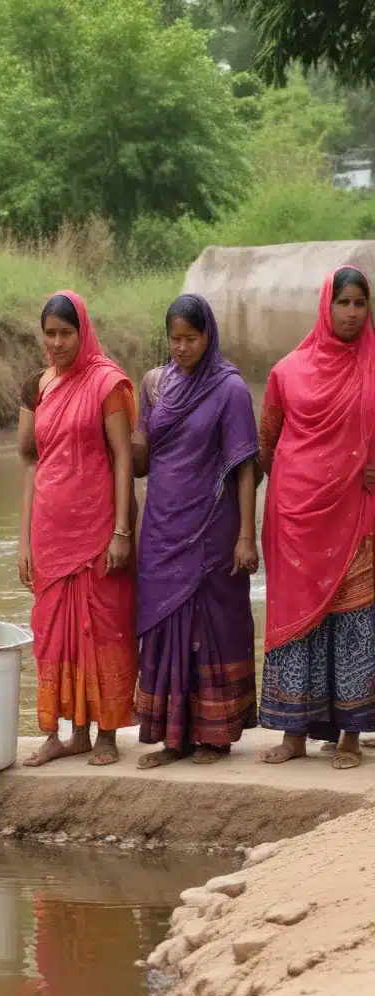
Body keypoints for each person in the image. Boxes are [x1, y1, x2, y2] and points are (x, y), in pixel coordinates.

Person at [132, 294, 259, 769]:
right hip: (162, 522)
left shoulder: (229, 390)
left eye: (191, 338)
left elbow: (244, 465)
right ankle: (172, 737)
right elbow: (143, 460)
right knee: (165, 624)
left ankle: (214, 735)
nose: (182, 347)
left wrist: (247, 534)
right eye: (175, 339)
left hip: (211, 528)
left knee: (210, 624)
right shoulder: (156, 386)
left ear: (209, 336)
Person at [258, 265, 375, 770]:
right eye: (342, 302)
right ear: (325, 306)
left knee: (353, 619)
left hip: (356, 514)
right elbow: (265, 445)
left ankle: (349, 736)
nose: (351, 312)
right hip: (295, 517)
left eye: (359, 303)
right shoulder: (287, 371)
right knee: (296, 623)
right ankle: (294, 733)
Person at [17, 291, 137, 767]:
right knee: (54, 632)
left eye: (67, 333)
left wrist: (122, 530)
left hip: (98, 526)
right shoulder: (42, 385)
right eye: (50, 333)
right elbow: (32, 461)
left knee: (102, 628)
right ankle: (64, 732)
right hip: (50, 525)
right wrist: (22, 537)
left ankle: (106, 733)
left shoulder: (107, 383)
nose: (58, 342)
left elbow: (123, 456)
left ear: (83, 332)